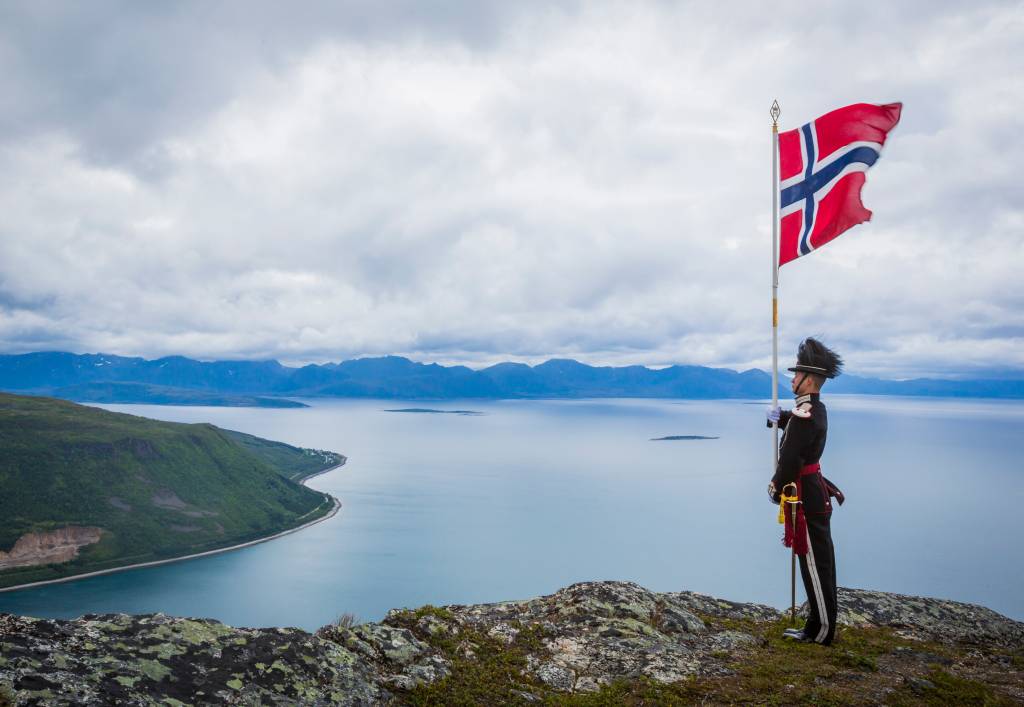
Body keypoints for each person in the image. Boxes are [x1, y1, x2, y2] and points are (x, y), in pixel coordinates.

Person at [766, 337, 845, 645]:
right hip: (814, 495)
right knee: (816, 564)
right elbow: (801, 429)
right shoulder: (812, 410)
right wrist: (781, 418)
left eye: (796, 374)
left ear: (808, 379)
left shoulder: (806, 415)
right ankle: (815, 626)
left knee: (815, 566)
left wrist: (775, 489)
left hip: (806, 498)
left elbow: (790, 460)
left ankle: (821, 631)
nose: (792, 379)